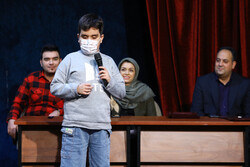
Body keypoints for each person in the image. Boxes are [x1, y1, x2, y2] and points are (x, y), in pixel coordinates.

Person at [50, 13, 126, 167]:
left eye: (93, 36)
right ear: (78, 37)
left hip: (101, 126)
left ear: (101, 37)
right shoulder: (70, 59)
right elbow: (55, 87)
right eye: (85, 36)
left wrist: (109, 81)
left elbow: (121, 93)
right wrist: (75, 88)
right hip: (75, 125)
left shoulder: (109, 61)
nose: (89, 41)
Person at [7, 44, 64, 139]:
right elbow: (18, 102)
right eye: (47, 59)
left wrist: (60, 111)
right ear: (41, 63)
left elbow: (75, 106)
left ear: (60, 61)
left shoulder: (67, 82)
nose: (51, 63)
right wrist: (12, 119)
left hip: (57, 129)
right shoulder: (31, 79)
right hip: (31, 128)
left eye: (55, 59)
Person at [191, 46, 250, 117]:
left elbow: (248, 114)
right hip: (210, 126)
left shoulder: (244, 84)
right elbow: (196, 112)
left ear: (233, 65)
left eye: (225, 61)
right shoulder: (202, 82)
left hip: (236, 127)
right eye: (218, 60)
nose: (220, 64)